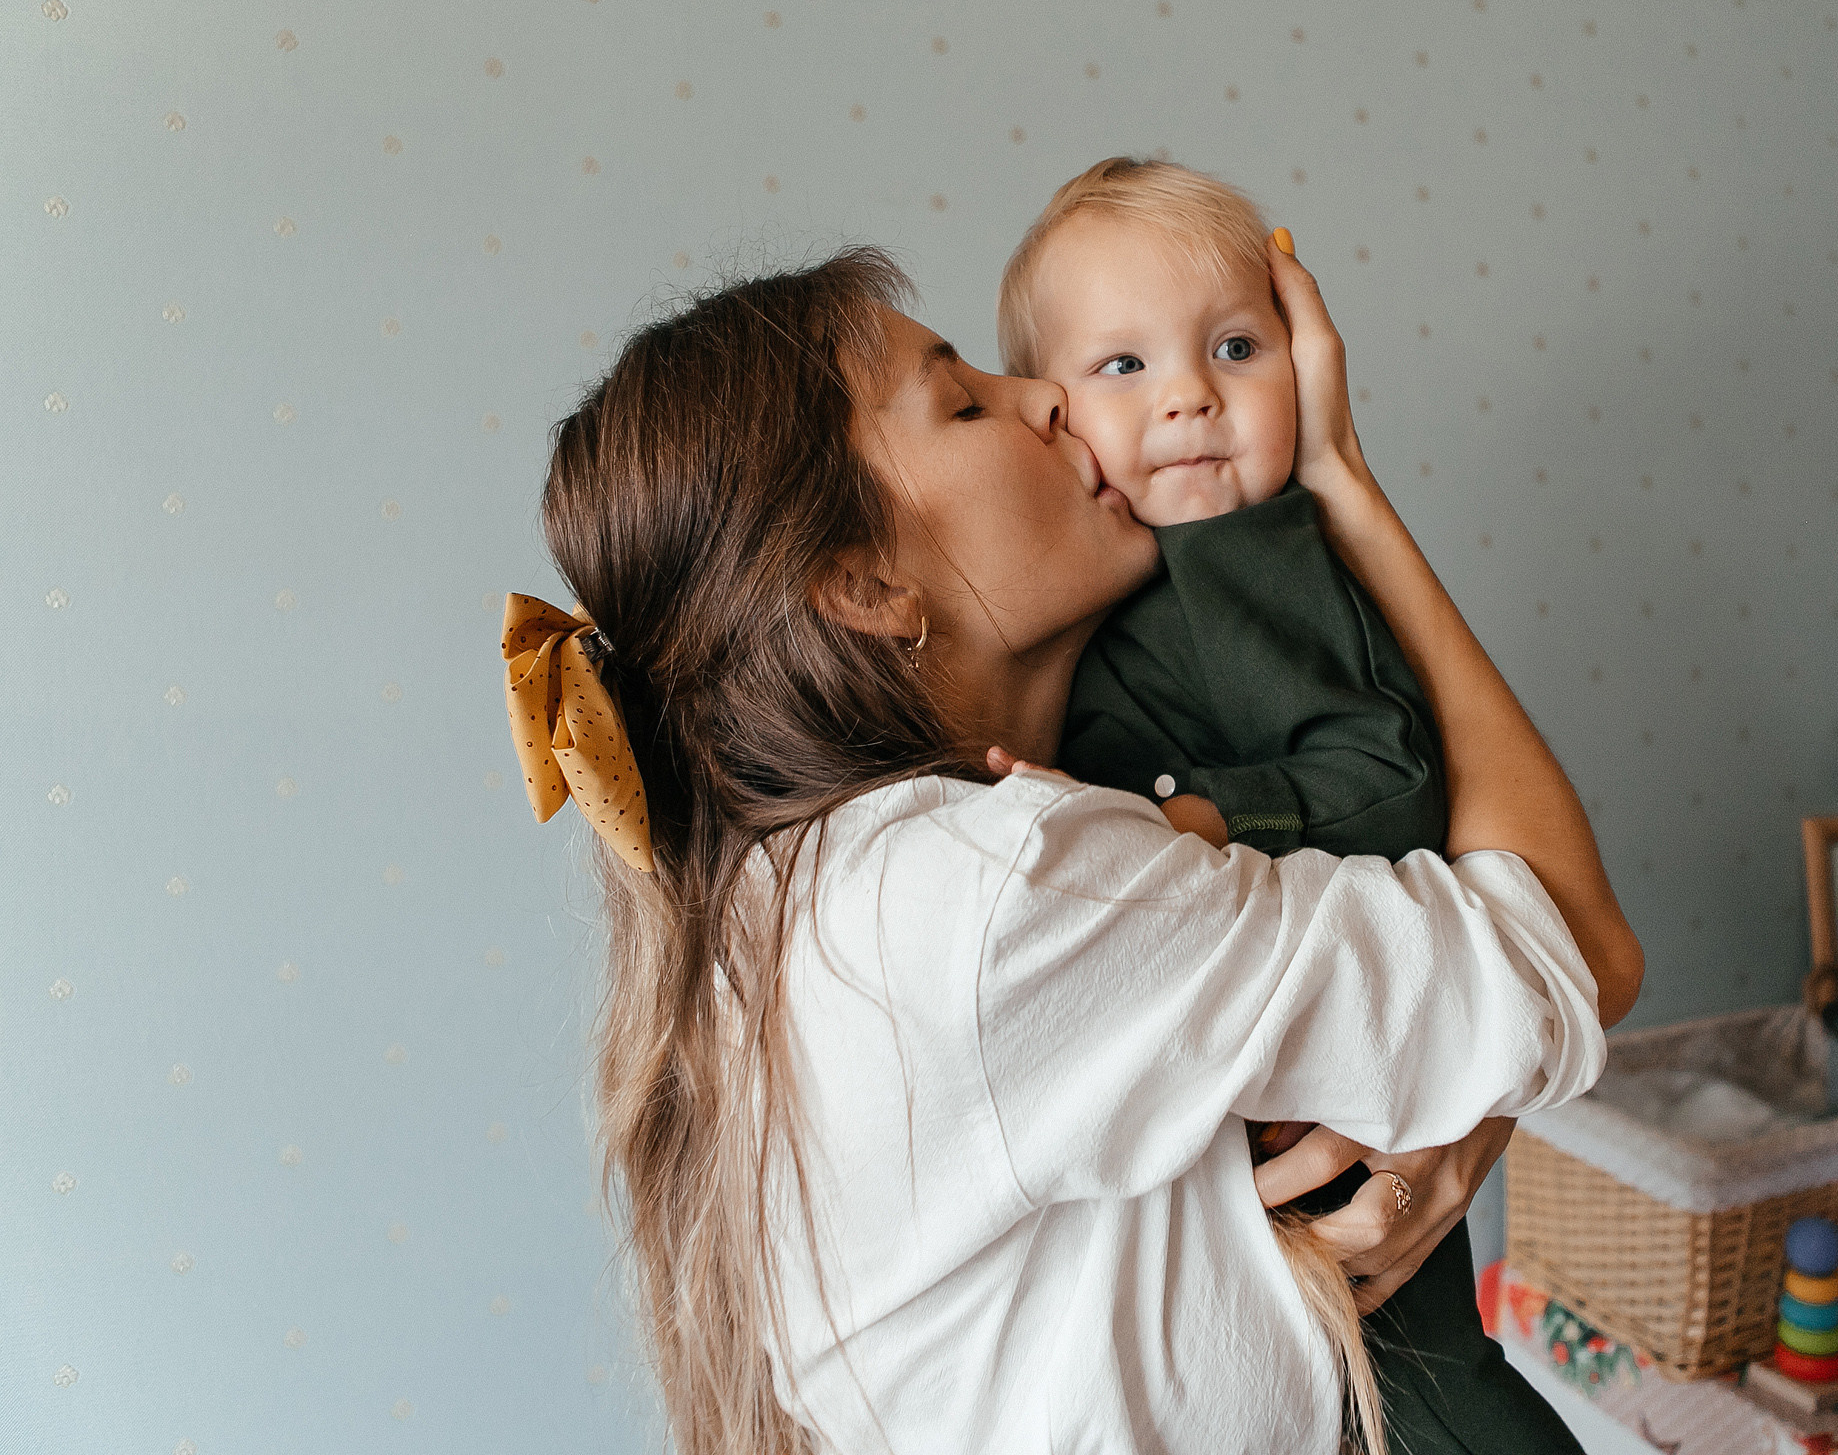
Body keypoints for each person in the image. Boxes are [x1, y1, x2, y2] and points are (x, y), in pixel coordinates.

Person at [505, 237, 1644, 1454]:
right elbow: (1569, 946)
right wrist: (1345, 490)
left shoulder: (810, 896)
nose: (1045, 395)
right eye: (962, 400)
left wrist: (1447, 1074)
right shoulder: (985, 892)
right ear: (868, 587)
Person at [998, 155, 1579, 1455]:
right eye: (1124, 366)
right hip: (1261, 1133)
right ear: (1046, 417)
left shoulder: (1250, 560)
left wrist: (1210, 818)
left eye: (1236, 345)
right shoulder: (1115, 590)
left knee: (1427, 1391)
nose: (1193, 394)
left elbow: (1389, 782)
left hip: (1340, 1108)